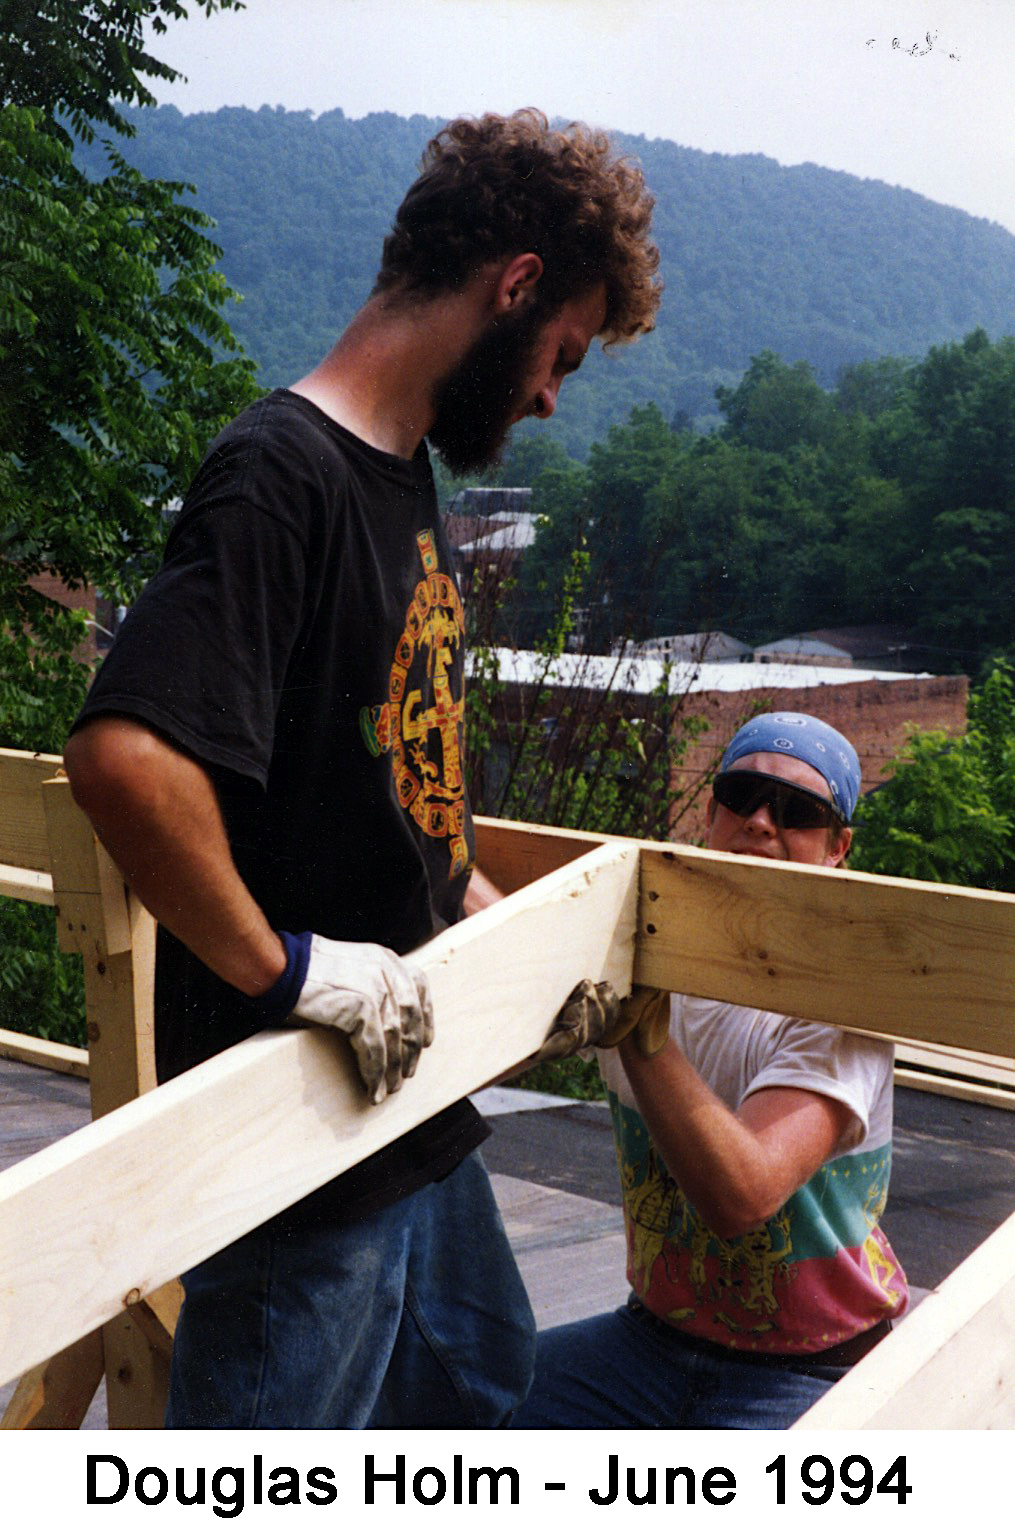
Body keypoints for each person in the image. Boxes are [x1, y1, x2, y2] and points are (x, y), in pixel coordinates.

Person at [62, 109, 661, 1429]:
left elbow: (380, 779)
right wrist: (284, 967)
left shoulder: (396, 478)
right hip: (295, 1149)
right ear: (511, 286)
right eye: (559, 352)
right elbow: (125, 761)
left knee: (478, 1399)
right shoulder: (280, 475)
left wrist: (491, 923)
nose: (552, 393)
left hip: (411, 1113)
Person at [515, 712, 909, 1430]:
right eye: (741, 794)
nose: (760, 821)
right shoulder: (632, 939)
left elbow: (741, 1197)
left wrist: (641, 1036)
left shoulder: (846, 996)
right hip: (650, 1339)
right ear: (707, 812)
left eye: (797, 811)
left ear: (837, 849)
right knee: (467, 1401)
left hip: (814, 1365)